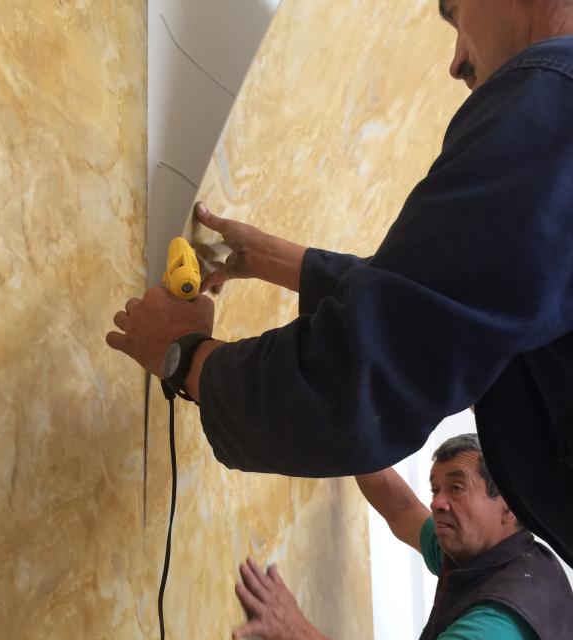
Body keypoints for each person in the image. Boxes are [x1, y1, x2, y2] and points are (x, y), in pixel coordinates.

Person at [106, 0, 573, 566]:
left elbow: (360, 379)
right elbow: (449, 307)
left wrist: (183, 355)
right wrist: (280, 261)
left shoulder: (555, 98)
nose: (456, 62)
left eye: (454, 14)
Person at [232, 435, 573, 640]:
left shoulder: (502, 624)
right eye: (435, 489)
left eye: (456, 488)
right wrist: (347, 436)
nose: (437, 502)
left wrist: (295, 634)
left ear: (508, 505)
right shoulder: (491, 554)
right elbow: (400, 509)